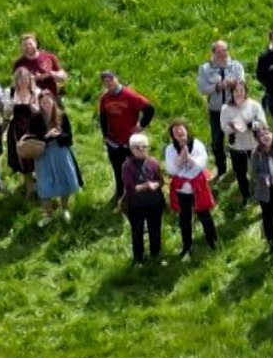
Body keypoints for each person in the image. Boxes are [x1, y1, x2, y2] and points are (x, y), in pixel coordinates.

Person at [91, 70, 153, 206]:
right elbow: (103, 118)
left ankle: (139, 196)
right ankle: (120, 191)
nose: (109, 84)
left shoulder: (129, 95)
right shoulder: (105, 98)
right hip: (114, 142)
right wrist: (105, 136)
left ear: (116, 79)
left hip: (131, 142)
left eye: (111, 80)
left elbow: (149, 109)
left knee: (137, 169)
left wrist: (141, 125)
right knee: (117, 168)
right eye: (105, 82)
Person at [162, 119, 220, 258]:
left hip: (197, 187)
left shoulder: (198, 144)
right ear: (173, 135)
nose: (179, 133)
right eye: (175, 132)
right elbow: (171, 169)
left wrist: (189, 158)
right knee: (184, 218)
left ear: (186, 130)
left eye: (181, 129)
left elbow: (201, 165)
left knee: (205, 215)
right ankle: (187, 246)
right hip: (182, 190)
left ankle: (213, 241)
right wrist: (180, 158)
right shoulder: (170, 149)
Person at [196, 42, 245, 182]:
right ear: (213, 53)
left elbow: (242, 83)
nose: (223, 55)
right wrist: (218, 86)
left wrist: (233, 83)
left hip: (234, 109)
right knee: (217, 143)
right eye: (219, 53)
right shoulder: (205, 68)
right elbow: (203, 89)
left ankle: (238, 169)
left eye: (225, 51)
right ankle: (221, 168)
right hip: (216, 111)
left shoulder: (236, 66)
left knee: (236, 140)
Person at [33, 91, 83, 223]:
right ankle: (48, 215)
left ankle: (64, 209)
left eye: (48, 101)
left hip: (61, 153)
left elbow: (69, 139)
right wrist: (48, 137)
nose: (46, 104)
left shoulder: (62, 116)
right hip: (44, 155)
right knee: (44, 183)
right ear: (40, 104)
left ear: (53, 101)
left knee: (64, 180)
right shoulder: (36, 118)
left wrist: (58, 136)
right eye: (43, 102)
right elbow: (34, 139)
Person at [218, 80, 267, 202]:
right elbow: (224, 127)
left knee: (258, 170)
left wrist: (251, 125)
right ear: (231, 92)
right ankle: (246, 195)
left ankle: (260, 192)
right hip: (237, 146)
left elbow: (263, 123)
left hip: (254, 144)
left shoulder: (254, 105)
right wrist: (233, 127)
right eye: (236, 91)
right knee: (240, 173)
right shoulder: (226, 108)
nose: (239, 93)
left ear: (245, 91)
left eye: (242, 90)